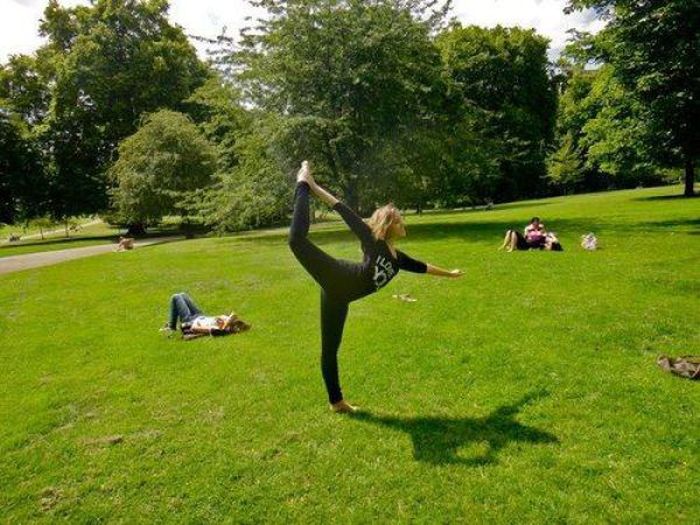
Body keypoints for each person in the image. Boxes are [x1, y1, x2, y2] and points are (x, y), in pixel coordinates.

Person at [288, 161, 463, 414]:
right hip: (337, 276)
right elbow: (340, 207)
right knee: (296, 240)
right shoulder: (373, 241)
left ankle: (336, 403)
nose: (405, 226)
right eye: (401, 222)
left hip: (339, 297)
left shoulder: (397, 259)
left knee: (330, 351)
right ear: (389, 225)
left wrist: (451, 274)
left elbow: (423, 266)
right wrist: (311, 184)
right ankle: (300, 184)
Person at [161, 292, 250, 339]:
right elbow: (234, 315)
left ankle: (171, 327)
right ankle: (170, 325)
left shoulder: (219, 330)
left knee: (175, 297)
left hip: (191, 321)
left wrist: (224, 325)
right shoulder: (225, 324)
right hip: (200, 316)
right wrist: (227, 320)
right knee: (183, 295)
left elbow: (194, 328)